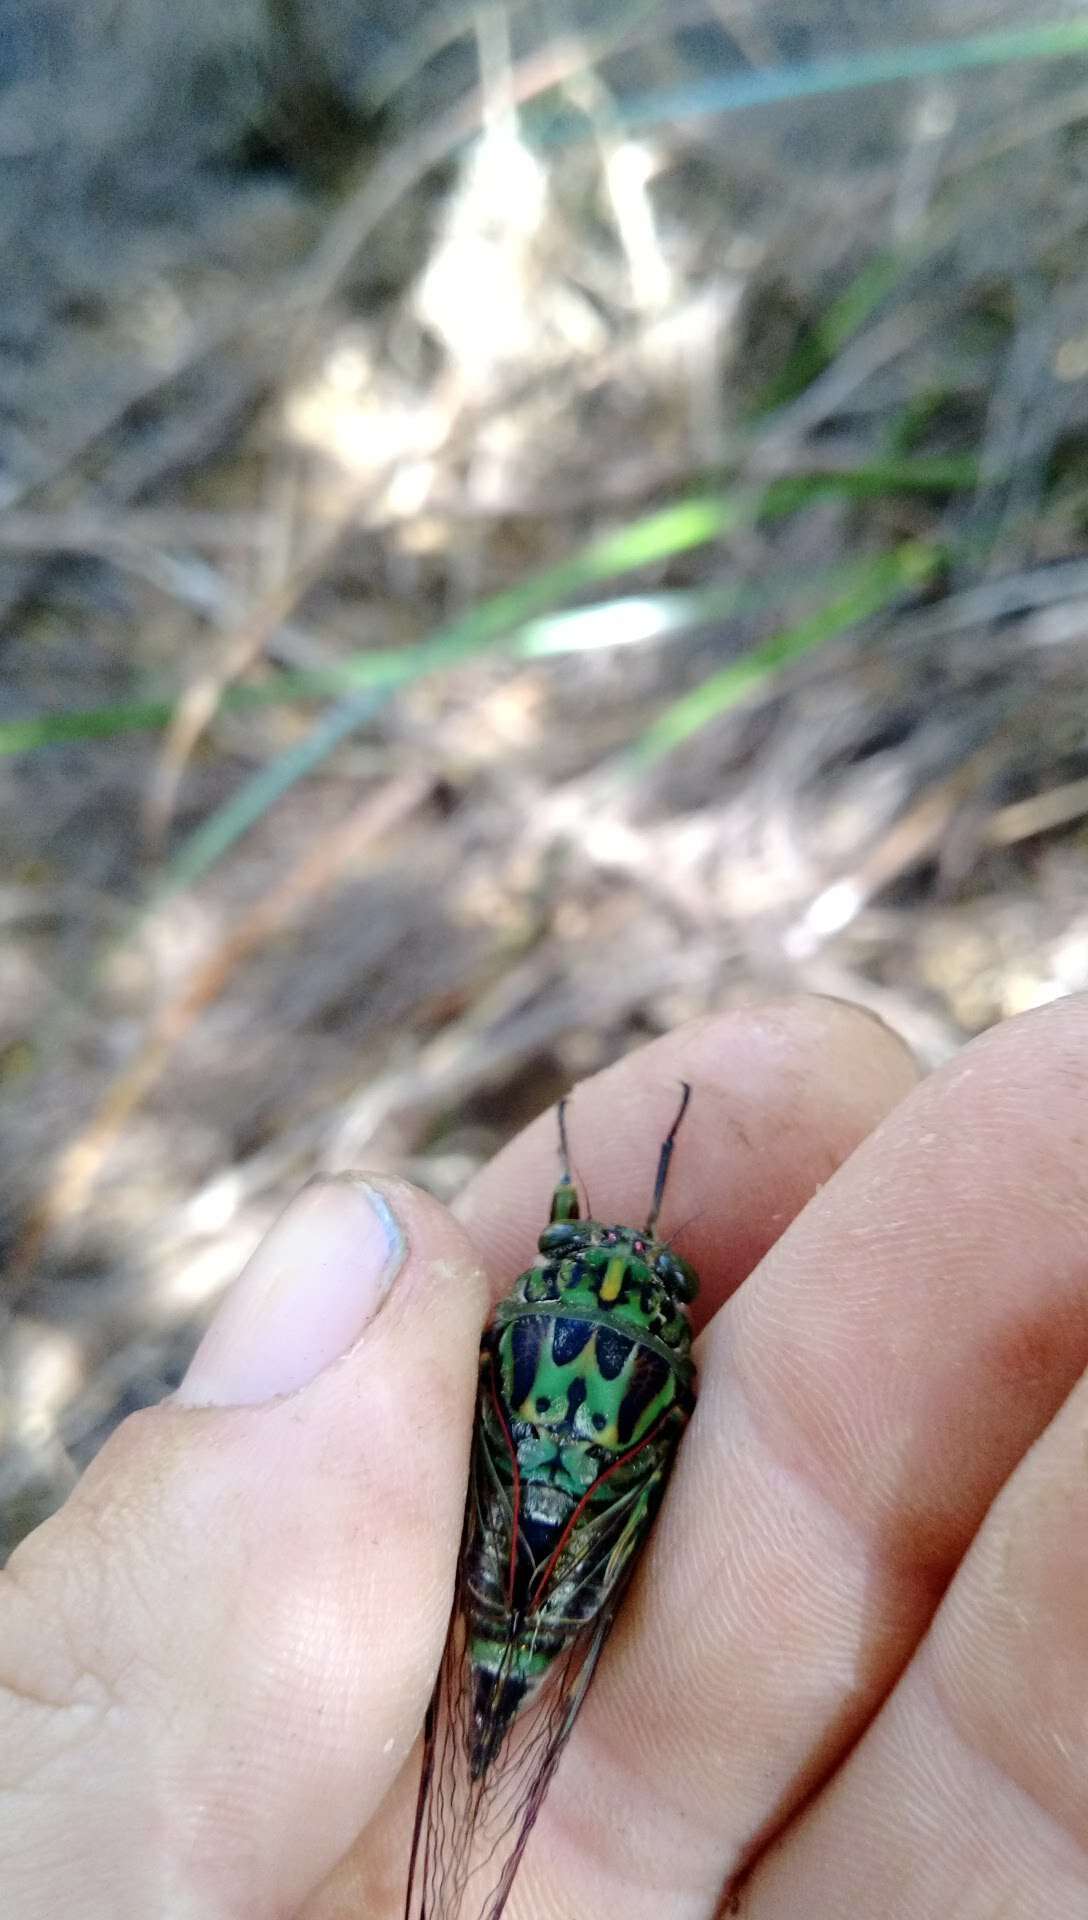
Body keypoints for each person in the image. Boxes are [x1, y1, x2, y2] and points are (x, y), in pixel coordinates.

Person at [3, 993, 1086, 1918]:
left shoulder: (520, 1323)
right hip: (566, 1587)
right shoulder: (668, 1377)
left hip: (511, 1566)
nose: (602, 1257)